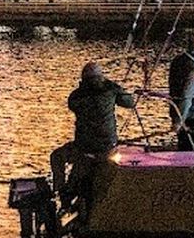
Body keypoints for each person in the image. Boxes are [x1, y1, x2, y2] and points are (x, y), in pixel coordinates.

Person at [51, 62, 136, 219]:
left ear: (83, 79)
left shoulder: (76, 96)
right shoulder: (110, 90)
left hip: (83, 148)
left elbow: (72, 105)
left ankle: (60, 191)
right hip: (107, 147)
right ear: (101, 77)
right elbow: (130, 103)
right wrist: (112, 85)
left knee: (56, 156)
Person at [167, 30, 194, 151]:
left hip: (183, 112)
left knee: (184, 146)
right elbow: (187, 96)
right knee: (192, 149)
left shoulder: (178, 62)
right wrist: (179, 120)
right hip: (193, 116)